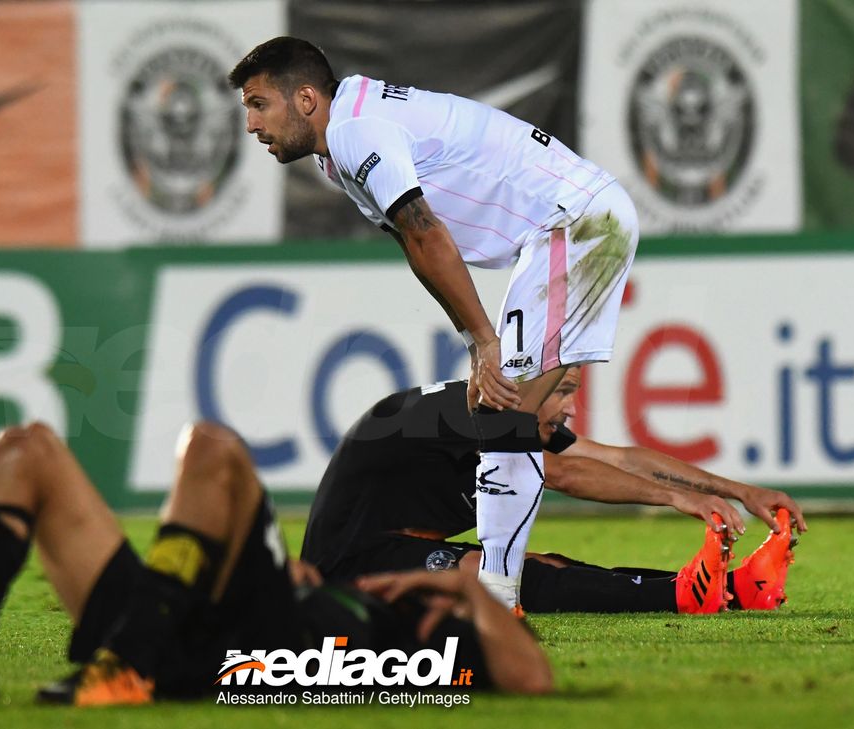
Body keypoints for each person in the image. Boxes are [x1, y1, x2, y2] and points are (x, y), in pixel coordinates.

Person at [230, 37, 639, 610]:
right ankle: (500, 590)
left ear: (303, 99)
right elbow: (417, 244)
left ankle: (498, 594)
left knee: (505, 415)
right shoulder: (336, 150)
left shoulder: (354, 132)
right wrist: (478, 340)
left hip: (576, 222)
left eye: (257, 104)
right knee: (503, 417)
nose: (250, 124)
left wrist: (483, 342)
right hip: (565, 227)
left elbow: (428, 234)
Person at [0, 421, 552, 706]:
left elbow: (534, 678)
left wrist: (465, 596)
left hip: (246, 637)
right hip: (174, 613)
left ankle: (129, 665)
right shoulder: (368, 599)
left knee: (214, 450)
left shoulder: (432, 640)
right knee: (23, 451)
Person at [300, 367, 804, 614]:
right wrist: (679, 499)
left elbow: (614, 457)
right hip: (346, 572)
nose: (569, 408)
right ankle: (680, 596)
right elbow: (562, 474)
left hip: (404, 546)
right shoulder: (475, 413)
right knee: (499, 576)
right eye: (563, 392)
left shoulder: (504, 407)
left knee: (542, 565)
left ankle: (734, 590)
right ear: (527, 386)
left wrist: (741, 491)